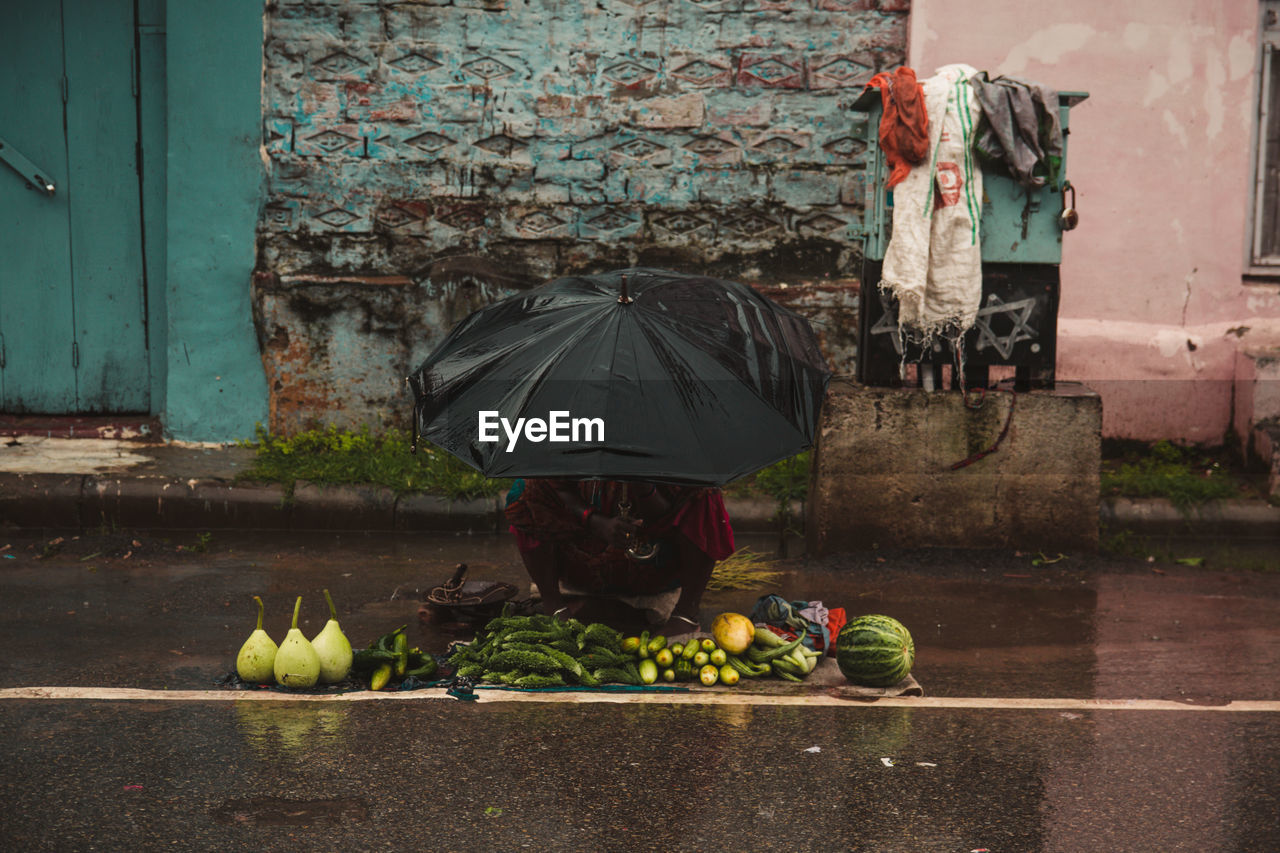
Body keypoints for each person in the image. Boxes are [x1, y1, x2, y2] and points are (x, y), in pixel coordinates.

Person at [504, 478, 735, 637]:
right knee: (525, 491)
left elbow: (664, 512)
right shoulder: (576, 428)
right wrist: (593, 521)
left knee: (705, 493)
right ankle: (554, 606)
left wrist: (641, 484)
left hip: (652, 568)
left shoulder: (661, 432)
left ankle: (686, 615)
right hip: (583, 564)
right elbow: (556, 485)